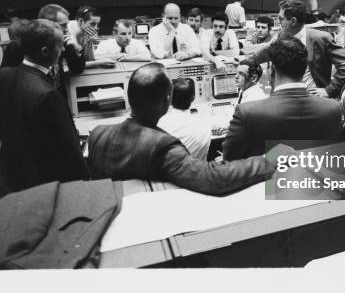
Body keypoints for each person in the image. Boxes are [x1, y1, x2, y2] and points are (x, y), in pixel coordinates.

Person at [87, 63, 273, 195]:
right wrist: (268, 161)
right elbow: (214, 178)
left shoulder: (97, 134)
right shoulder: (163, 145)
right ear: (167, 101)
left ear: (129, 98)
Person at [0, 19, 89, 193]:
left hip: (13, 174)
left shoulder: (3, 75)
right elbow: (70, 153)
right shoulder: (48, 94)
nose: (63, 49)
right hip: (46, 182)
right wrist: (87, 183)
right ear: (45, 51)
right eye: (60, 46)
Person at [223, 39, 342, 161]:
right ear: (305, 66)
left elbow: (230, 161)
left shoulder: (246, 112)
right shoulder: (334, 108)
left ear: (272, 69)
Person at [253, 0, 345, 98]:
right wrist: (244, 63)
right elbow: (259, 56)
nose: (279, 23)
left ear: (293, 21)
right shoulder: (280, 37)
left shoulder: (320, 38)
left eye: (281, 19)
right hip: (282, 99)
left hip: (311, 100)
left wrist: (330, 90)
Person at [0, 3, 87, 98]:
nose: (67, 29)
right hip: (30, 100)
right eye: (63, 25)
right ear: (47, 24)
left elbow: (77, 69)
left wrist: (77, 49)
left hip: (57, 96)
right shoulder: (18, 46)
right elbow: (5, 80)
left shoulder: (64, 41)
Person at [158, 78, 211, 160]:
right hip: (198, 171)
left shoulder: (160, 125)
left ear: (169, 99)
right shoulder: (205, 124)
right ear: (193, 98)